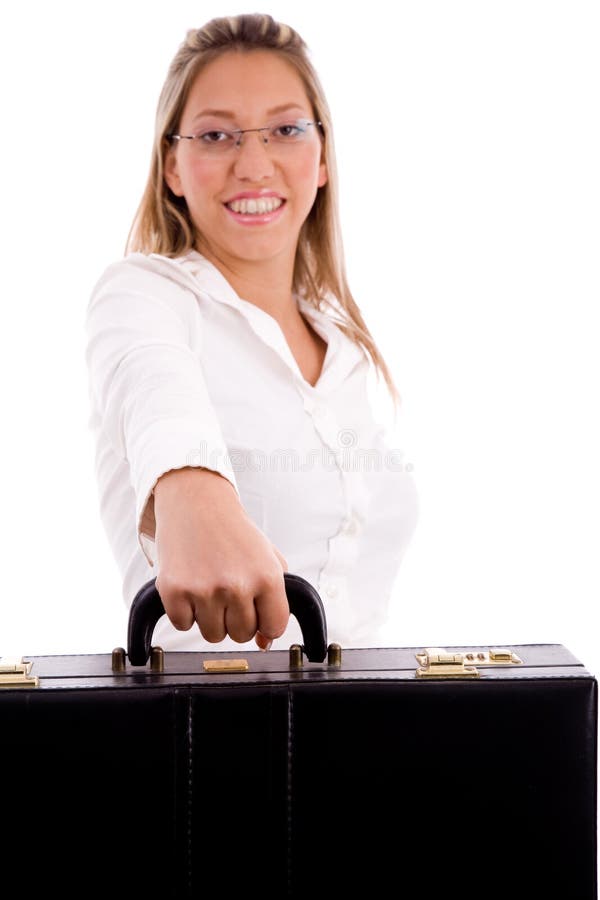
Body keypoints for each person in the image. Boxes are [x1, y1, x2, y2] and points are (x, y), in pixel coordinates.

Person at [84, 12, 419, 653]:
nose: (254, 164)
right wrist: (190, 488)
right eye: (216, 136)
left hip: (368, 729)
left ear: (321, 158)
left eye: (286, 129)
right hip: (205, 738)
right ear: (173, 169)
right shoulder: (145, 294)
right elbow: (151, 379)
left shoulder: (346, 350)